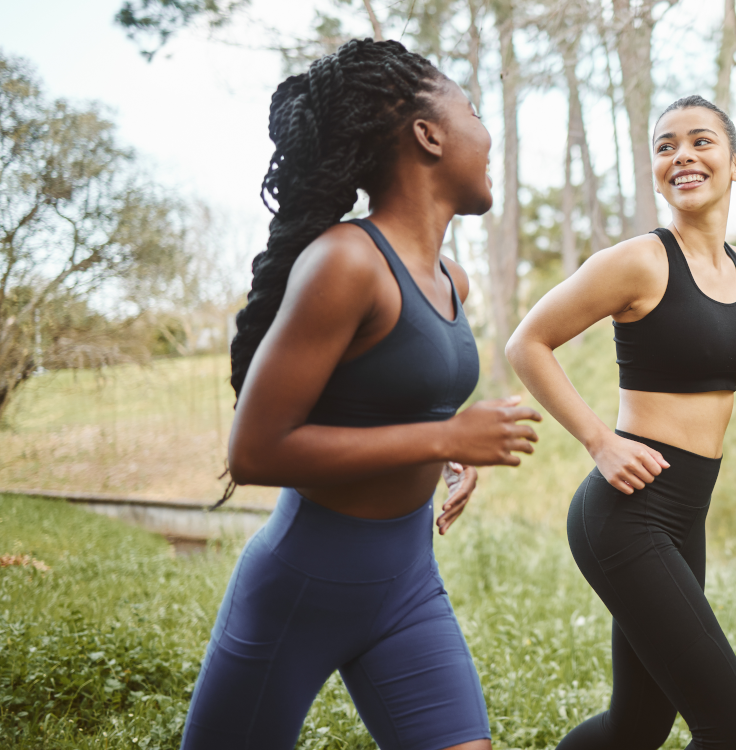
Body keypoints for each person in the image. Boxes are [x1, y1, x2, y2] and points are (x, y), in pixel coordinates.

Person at [181, 39, 541, 750]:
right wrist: (446, 438)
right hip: (301, 590)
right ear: (428, 133)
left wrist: (438, 456)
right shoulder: (346, 261)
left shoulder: (450, 279)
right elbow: (255, 450)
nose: (487, 132)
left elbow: (385, 396)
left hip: (407, 586)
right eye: (472, 108)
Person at [506, 95, 736, 750]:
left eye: (700, 141)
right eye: (666, 146)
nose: (683, 156)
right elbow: (527, 343)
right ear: (655, 170)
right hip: (625, 511)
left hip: (685, 515)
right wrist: (599, 440)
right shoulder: (640, 260)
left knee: (637, 725)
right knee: (730, 730)